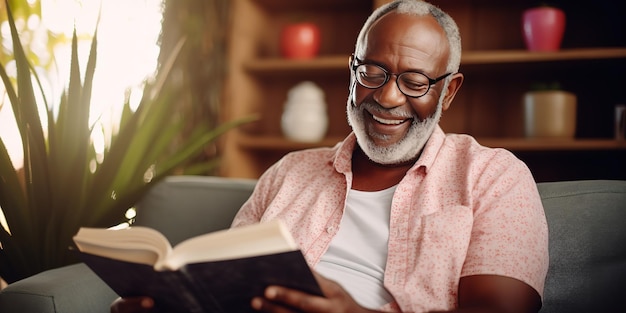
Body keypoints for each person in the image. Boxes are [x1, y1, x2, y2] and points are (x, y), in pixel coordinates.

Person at [111, 0, 549, 312]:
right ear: (351, 73)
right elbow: (224, 285)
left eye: (415, 81)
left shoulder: (494, 177)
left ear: (448, 92)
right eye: (372, 72)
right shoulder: (288, 172)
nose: (388, 96)